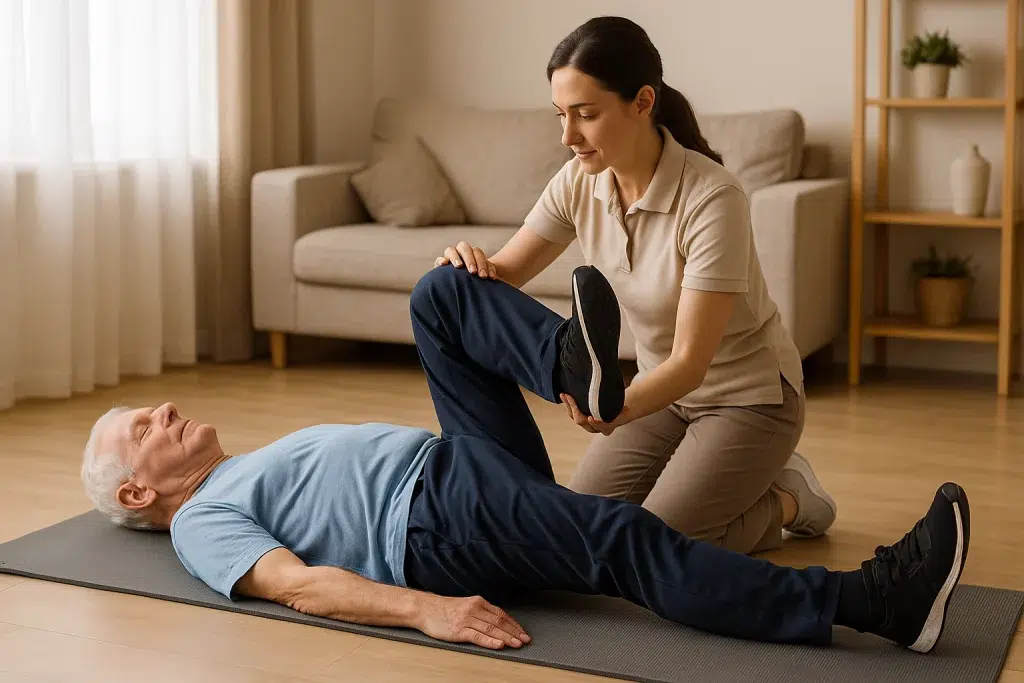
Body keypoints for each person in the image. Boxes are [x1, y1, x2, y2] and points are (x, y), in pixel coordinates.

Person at [80, 264, 971, 655]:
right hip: (435, 524)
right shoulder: (200, 521)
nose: (165, 410)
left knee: (439, 296)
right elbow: (297, 585)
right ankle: (873, 602)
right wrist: (426, 611)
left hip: (455, 470)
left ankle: (570, 368)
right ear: (137, 490)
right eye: (144, 427)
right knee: (623, 538)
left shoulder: (231, 474)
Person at [430, 16, 832, 555]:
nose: (568, 136)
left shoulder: (713, 199)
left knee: (652, 547)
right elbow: (506, 273)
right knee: (581, 532)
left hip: (748, 399)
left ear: (643, 102)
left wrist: (612, 410)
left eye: (586, 115)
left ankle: (789, 498)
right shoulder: (578, 181)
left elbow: (690, 362)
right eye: (561, 115)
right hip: (660, 393)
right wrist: (467, 266)